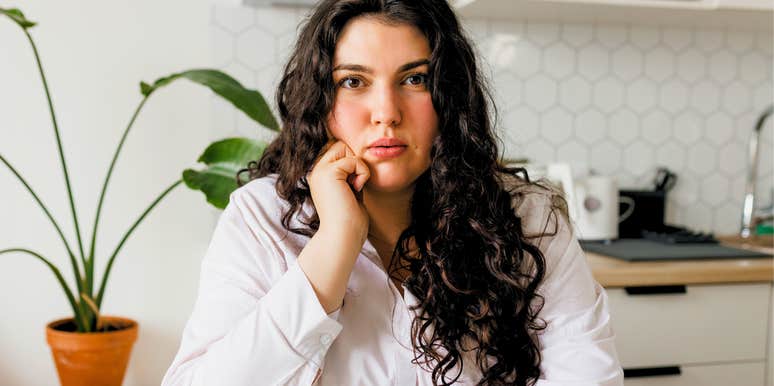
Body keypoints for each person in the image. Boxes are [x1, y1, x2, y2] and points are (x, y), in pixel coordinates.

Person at [161, 0, 623, 385]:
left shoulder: (528, 217)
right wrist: (334, 247)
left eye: (415, 79)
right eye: (354, 81)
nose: (386, 112)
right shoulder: (260, 217)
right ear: (321, 101)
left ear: (449, 97)